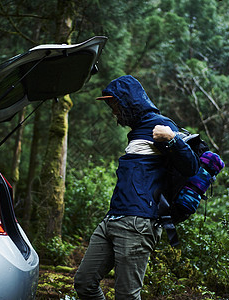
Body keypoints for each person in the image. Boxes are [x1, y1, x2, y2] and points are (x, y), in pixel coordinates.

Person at [74, 75, 200, 299]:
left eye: (114, 104)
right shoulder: (137, 131)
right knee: (84, 282)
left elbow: (190, 166)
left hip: (139, 222)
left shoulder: (161, 125)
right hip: (112, 219)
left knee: (126, 295)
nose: (113, 111)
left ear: (128, 101)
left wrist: (172, 139)